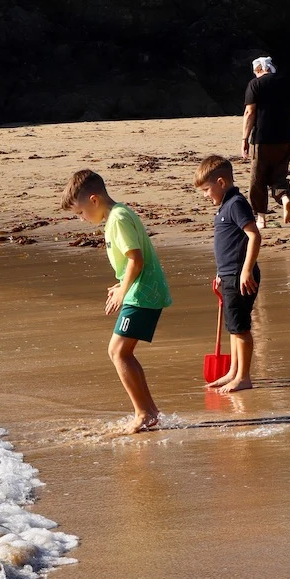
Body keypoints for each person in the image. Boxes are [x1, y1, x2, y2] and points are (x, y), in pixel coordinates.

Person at [60, 168, 171, 432]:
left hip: (143, 293)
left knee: (118, 352)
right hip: (139, 290)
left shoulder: (118, 218)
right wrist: (122, 284)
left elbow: (136, 258)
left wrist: (124, 291)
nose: (82, 218)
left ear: (94, 200)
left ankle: (145, 413)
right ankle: (149, 411)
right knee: (121, 352)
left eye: (80, 212)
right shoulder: (116, 216)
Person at [194, 153, 261, 393]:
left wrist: (245, 271)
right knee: (233, 327)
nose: (205, 195)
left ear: (221, 183)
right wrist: (221, 273)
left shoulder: (236, 204)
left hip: (240, 276)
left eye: (206, 189)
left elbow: (254, 235)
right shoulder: (225, 205)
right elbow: (229, 245)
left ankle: (244, 377)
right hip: (229, 275)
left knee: (240, 327)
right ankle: (233, 371)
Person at [242, 54, 290, 230]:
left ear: (259, 70)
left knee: (257, 179)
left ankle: (261, 218)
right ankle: (284, 198)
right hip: (284, 138)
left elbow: (250, 113)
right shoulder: (286, 83)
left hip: (262, 138)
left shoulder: (255, 84)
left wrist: (244, 138)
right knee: (279, 175)